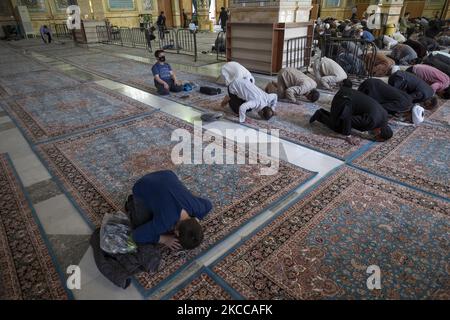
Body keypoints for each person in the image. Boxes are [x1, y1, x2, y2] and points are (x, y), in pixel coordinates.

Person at [127, 170, 212, 250]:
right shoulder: (165, 223)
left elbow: (209, 205)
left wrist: (197, 218)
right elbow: (136, 236)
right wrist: (163, 239)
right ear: (177, 233)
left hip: (167, 174)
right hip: (140, 185)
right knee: (141, 221)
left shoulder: (197, 207)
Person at [310, 86, 393, 144]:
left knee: (343, 123)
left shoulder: (385, 116)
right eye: (375, 136)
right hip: (343, 99)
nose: (373, 136)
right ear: (379, 131)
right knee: (339, 127)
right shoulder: (371, 121)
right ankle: (319, 115)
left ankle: (326, 114)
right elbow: (348, 119)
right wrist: (348, 136)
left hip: (350, 93)